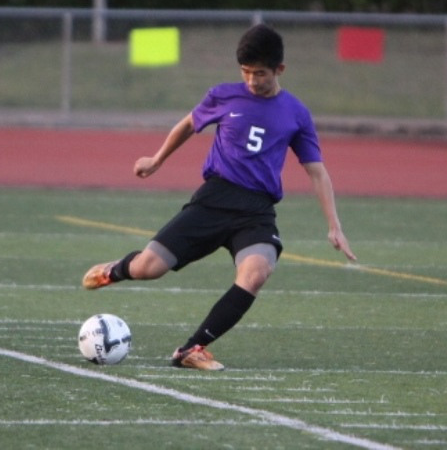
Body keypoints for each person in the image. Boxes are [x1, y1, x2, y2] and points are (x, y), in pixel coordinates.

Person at [82, 23, 356, 371]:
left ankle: (191, 349)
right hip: (214, 200)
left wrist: (334, 225)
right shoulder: (223, 96)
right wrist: (157, 159)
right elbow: (187, 124)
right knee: (148, 268)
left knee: (256, 273)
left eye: (260, 73)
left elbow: (317, 171)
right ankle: (115, 270)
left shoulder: (296, 113)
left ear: (280, 69)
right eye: (245, 71)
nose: (252, 80)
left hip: (256, 211)